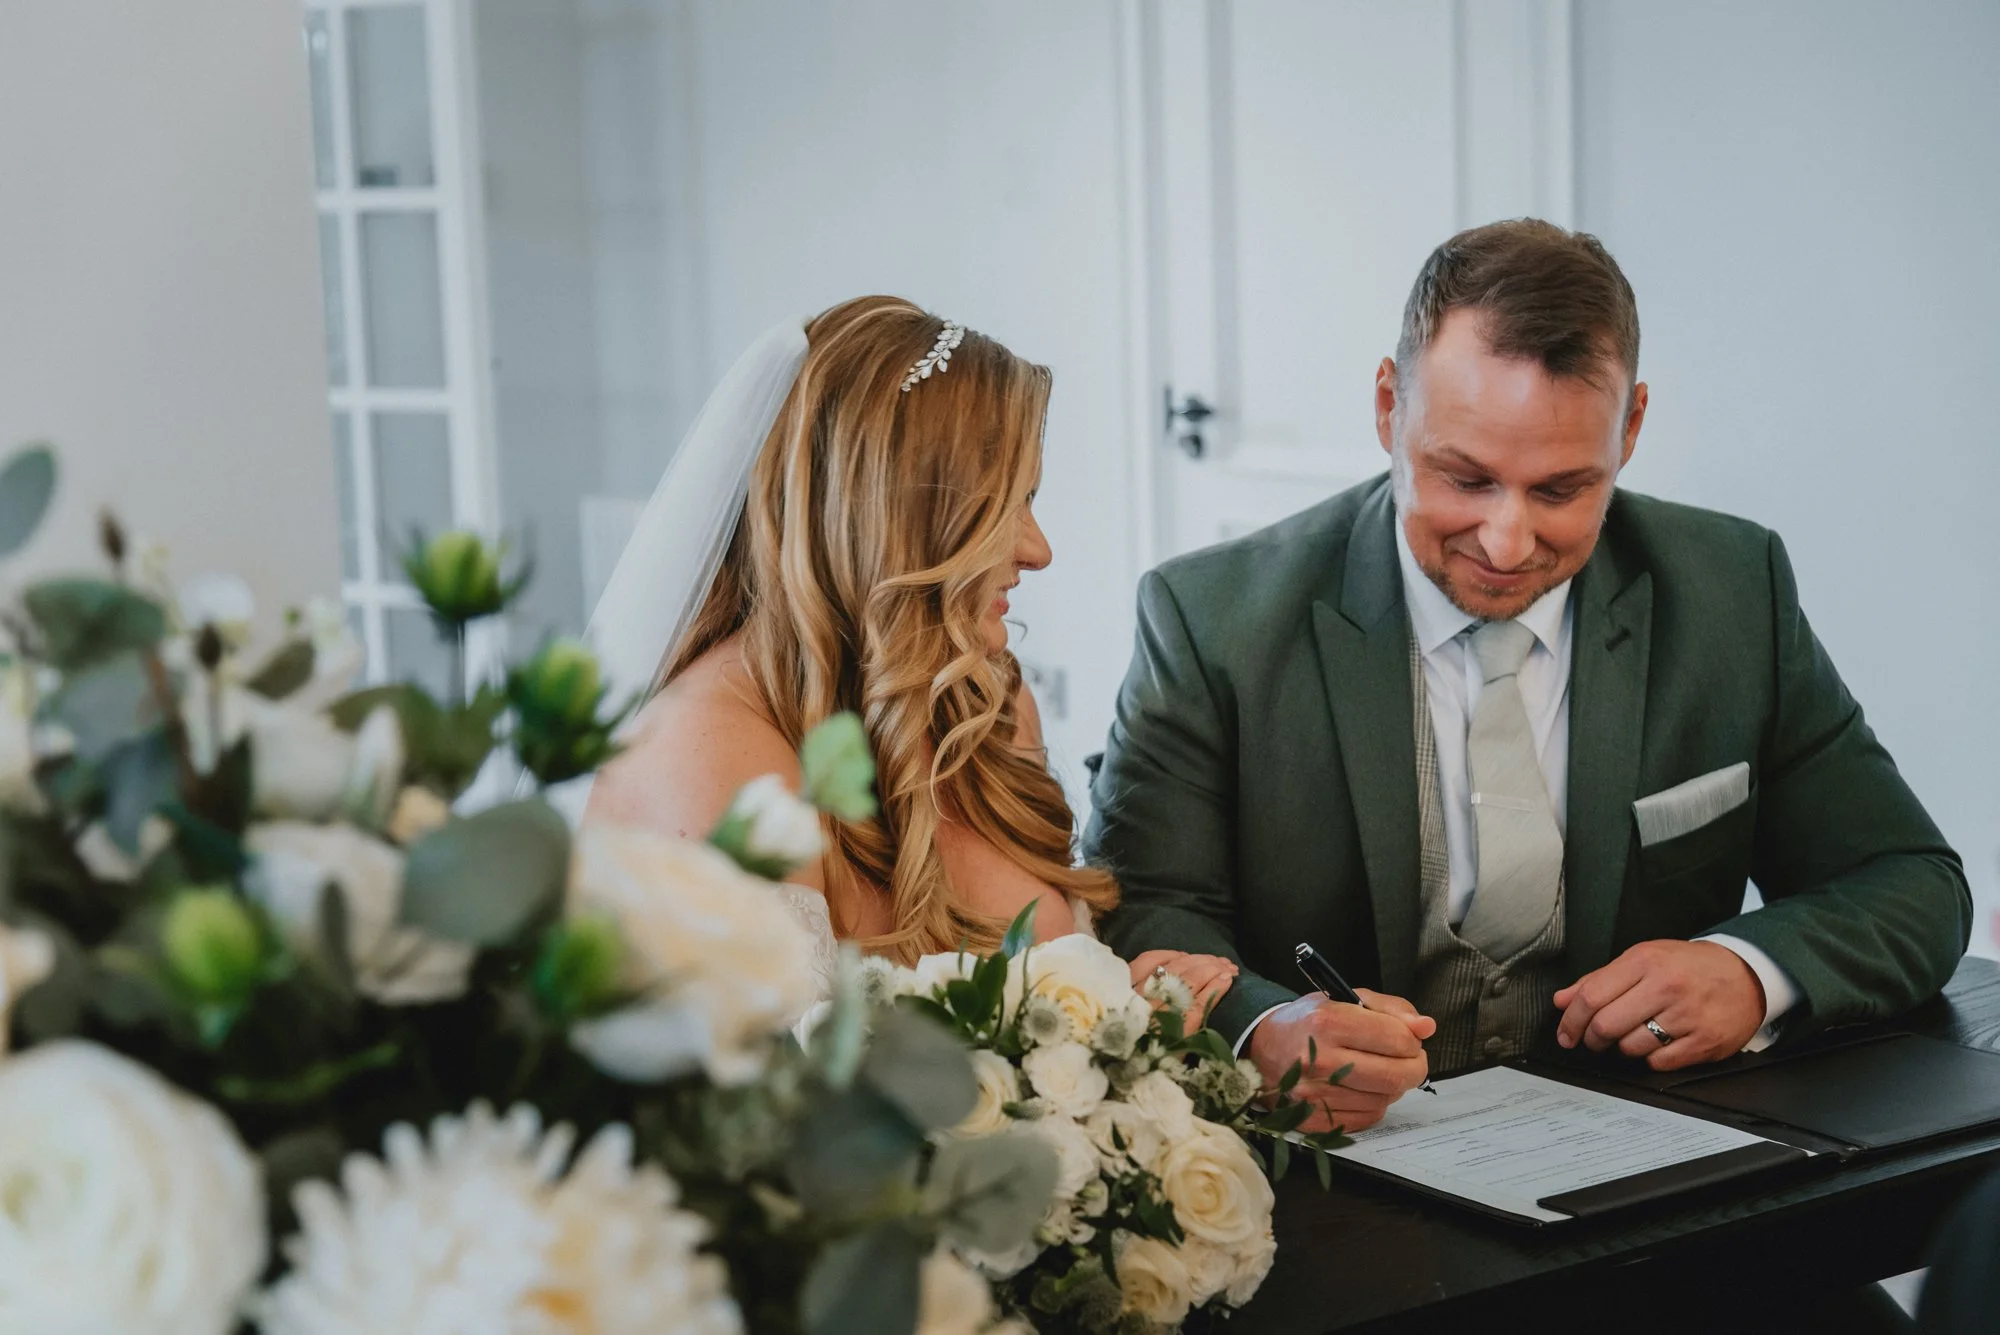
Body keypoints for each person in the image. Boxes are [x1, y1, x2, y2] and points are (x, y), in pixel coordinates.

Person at [1088, 219, 1970, 1136]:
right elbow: (1142, 911)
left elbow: (1912, 881)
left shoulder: (1734, 589)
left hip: (1645, 1156)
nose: (1508, 541)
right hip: (1330, 1179)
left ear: (1629, 428)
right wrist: (1262, 1030)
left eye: (1560, 490)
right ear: (1391, 408)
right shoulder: (1209, 620)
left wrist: (1752, 970)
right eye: (1464, 479)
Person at [584, 295, 1238, 1019]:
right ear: (893, 519)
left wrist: (1122, 1017)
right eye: (1000, 509)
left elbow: (1027, 1009)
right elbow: (776, 1112)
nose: (1038, 549)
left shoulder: (985, 699)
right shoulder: (704, 755)